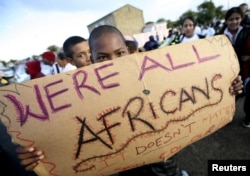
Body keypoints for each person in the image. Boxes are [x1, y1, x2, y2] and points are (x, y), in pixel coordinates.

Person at [15, 25, 243, 175]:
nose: (113, 62)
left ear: (129, 52)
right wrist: (38, 155)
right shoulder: (79, 99)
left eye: (119, 54)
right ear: (92, 60)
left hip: (167, 169)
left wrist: (227, 87)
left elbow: (195, 88)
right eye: (103, 57)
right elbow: (59, 135)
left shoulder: (153, 77)